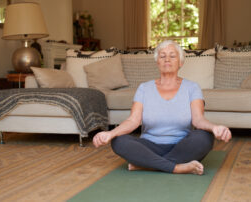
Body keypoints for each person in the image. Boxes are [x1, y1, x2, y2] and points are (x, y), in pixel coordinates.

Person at [93, 40, 232, 175]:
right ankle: (177, 167)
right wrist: (110, 134)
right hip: (149, 146)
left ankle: (147, 165)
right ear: (157, 62)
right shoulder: (144, 88)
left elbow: (198, 120)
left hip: (182, 146)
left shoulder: (192, 87)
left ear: (181, 62)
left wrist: (214, 128)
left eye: (172, 56)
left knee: (204, 137)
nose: (167, 59)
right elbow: (132, 121)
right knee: (119, 141)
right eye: (162, 56)